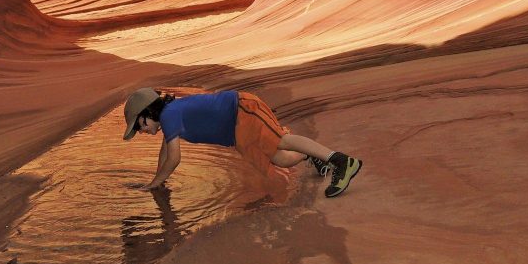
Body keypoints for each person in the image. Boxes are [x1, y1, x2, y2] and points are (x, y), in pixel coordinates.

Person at [122, 88, 362, 198]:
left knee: (282, 140)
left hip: (243, 110)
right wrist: (154, 181)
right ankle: (313, 155)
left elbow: (174, 159)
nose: (142, 132)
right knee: (278, 158)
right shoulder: (169, 119)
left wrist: (154, 185)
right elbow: (165, 154)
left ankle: (341, 161)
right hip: (238, 130)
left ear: (147, 113)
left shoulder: (169, 115)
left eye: (140, 126)